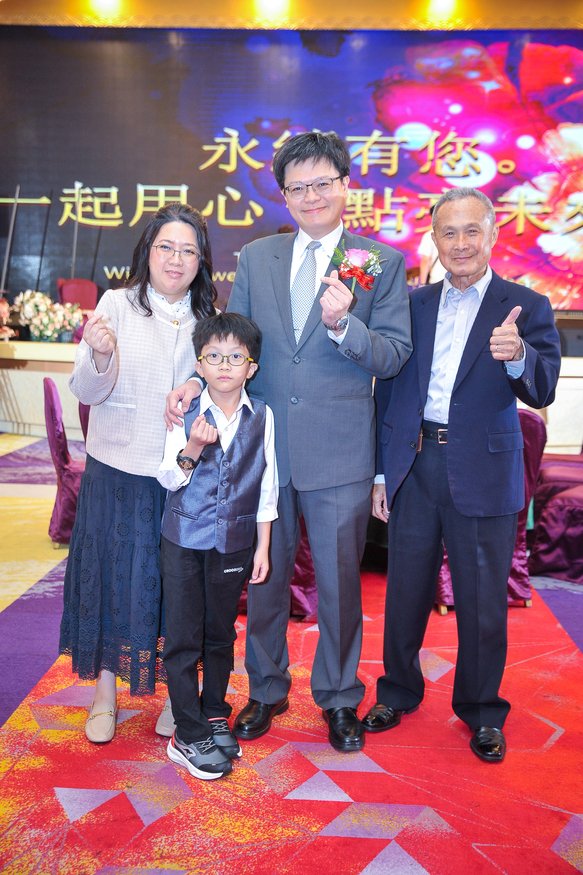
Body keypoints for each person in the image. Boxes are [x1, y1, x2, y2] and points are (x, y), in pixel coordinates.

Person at [166, 130, 412, 753]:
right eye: (297, 187)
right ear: (284, 195)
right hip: (264, 450)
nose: (310, 196)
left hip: (340, 453)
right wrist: (197, 377)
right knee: (264, 577)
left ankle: (338, 696)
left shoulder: (377, 262)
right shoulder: (258, 257)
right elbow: (233, 340)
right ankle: (266, 688)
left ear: (345, 186)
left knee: (340, 584)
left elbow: (393, 355)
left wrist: (344, 325)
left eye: (322, 183)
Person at [363, 188, 561, 763]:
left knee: (481, 599)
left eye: (472, 230)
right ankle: (397, 692)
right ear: (434, 239)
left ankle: (481, 710)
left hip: (485, 468)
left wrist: (518, 356)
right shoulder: (412, 304)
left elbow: (543, 387)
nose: (461, 243)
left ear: (493, 234)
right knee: (404, 590)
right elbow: (389, 391)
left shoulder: (525, 305)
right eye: (448, 232)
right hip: (416, 462)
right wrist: (382, 472)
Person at [59, 202, 216, 744]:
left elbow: (225, 387)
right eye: (166, 247)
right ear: (148, 252)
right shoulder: (116, 305)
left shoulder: (209, 318)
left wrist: (198, 384)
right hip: (118, 468)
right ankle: (105, 695)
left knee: (178, 587)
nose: (176, 259)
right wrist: (101, 356)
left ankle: (176, 692)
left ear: (201, 261)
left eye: (188, 250)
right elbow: (86, 389)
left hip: (182, 476)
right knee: (111, 578)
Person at [157, 312, 278, 780]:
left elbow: (266, 486)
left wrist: (262, 547)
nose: (224, 365)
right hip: (184, 540)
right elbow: (167, 477)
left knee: (221, 634)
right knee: (184, 636)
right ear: (199, 365)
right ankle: (186, 733)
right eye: (214, 356)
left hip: (235, 542)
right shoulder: (184, 411)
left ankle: (212, 715)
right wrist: (192, 447)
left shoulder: (262, 416)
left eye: (235, 357)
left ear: (251, 367)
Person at [417, 204, 446, 285]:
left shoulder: (429, 235)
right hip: (456, 281)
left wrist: (422, 284)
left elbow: (425, 260)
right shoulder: (457, 234)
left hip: (436, 280)